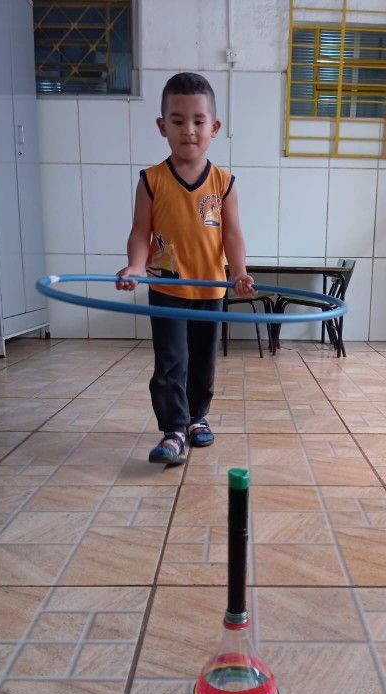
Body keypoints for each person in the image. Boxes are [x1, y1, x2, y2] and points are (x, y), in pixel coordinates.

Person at [116, 72, 254, 465]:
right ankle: (174, 429)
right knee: (171, 362)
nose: (188, 130)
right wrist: (135, 266)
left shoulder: (224, 182)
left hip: (210, 290)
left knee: (203, 363)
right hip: (167, 292)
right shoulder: (152, 180)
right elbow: (140, 231)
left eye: (198, 121)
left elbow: (232, 234)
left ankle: (197, 417)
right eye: (177, 121)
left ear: (214, 128)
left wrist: (239, 272)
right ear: (163, 127)